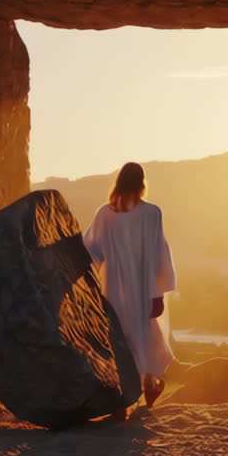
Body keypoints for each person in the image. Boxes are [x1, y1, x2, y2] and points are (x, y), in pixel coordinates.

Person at [82, 162, 177, 415]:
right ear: (142, 183)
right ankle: (148, 386)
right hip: (143, 285)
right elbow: (160, 254)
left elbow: (92, 249)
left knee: (120, 338)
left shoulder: (105, 213)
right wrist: (159, 292)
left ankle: (123, 398)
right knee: (145, 334)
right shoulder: (152, 213)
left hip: (114, 285)